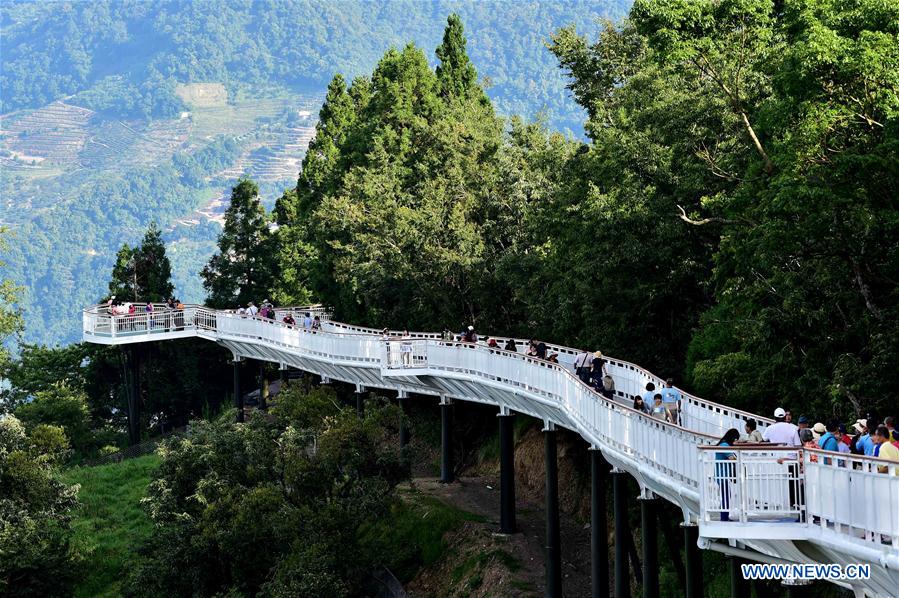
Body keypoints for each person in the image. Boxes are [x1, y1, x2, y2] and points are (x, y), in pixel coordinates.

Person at [714, 428, 740, 521]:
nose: (735, 441)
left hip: (722, 475)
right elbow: (732, 458)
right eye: (735, 439)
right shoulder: (724, 445)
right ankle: (724, 518)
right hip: (722, 475)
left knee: (726, 495)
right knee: (725, 496)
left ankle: (724, 516)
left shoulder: (723, 444)